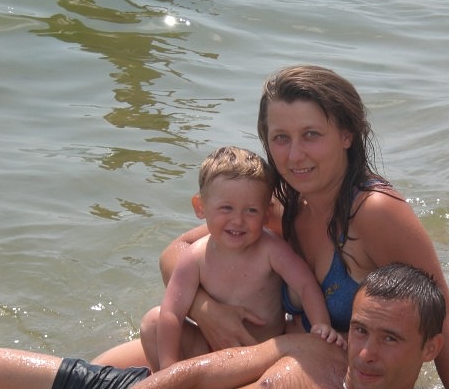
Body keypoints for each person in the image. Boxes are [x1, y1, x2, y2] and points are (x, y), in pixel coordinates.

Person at [95, 65, 449, 389]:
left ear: (346, 135)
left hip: (322, 381)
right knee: (100, 368)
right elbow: (176, 253)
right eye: (281, 138)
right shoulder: (282, 207)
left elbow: (443, 329)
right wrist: (207, 311)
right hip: (268, 354)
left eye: (311, 135)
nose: (294, 155)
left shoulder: (374, 213)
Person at [0, 263, 449, 389]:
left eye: (390, 339)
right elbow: (190, 378)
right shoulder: (314, 351)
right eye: (360, 330)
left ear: (430, 348)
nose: (365, 353)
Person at [142, 146, 344, 371]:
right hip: (211, 349)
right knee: (153, 321)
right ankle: (167, 382)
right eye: (226, 208)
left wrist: (321, 325)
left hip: (262, 356)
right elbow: (172, 313)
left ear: (266, 213)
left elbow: (306, 285)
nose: (238, 220)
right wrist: (170, 367)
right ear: (200, 207)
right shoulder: (194, 257)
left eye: (251, 211)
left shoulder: (271, 250)